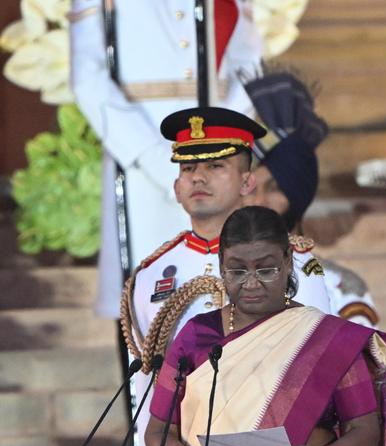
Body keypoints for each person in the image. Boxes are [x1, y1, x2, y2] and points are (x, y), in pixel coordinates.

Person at [144, 206, 386, 446]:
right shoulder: (196, 338)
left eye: (267, 269)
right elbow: (157, 436)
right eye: (238, 271)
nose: (252, 283)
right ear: (221, 265)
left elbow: (365, 431)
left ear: (289, 261)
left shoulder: (323, 338)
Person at [120, 107, 332, 446]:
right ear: (176, 187)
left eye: (216, 165)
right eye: (189, 167)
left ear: (247, 181)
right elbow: (146, 388)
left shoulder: (298, 265)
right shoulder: (151, 274)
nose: (199, 178)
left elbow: (312, 373)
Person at [69, 0, 261, 319]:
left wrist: (224, 147)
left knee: (224, 298)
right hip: (138, 164)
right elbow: (88, 77)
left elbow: (249, 66)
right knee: (147, 305)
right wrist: (154, 158)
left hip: (219, 160)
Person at [241, 69, 381, 326]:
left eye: (274, 188)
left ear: (298, 193)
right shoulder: (211, 279)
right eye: (251, 188)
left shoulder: (340, 287)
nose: (258, 201)